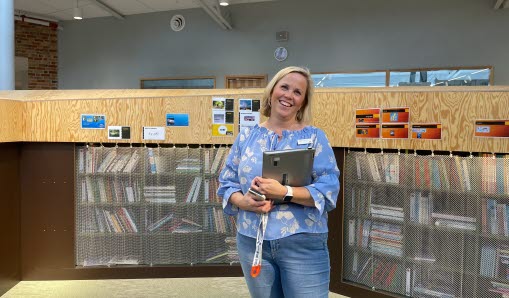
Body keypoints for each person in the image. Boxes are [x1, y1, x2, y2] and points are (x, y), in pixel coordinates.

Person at [217, 66, 340, 298]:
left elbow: (329, 188)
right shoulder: (247, 136)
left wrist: (286, 192)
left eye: (297, 92)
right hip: (252, 241)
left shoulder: (315, 137)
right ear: (272, 91)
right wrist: (243, 202)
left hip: (303, 242)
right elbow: (226, 182)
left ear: (303, 102)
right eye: (284, 87)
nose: (288, 95)